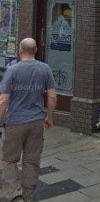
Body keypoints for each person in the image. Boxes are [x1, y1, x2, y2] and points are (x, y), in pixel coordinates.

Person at [0, 39, 57, 202]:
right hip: (36, 122)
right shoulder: (44, 68)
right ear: (36, 50)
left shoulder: (12, 70)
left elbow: (3, 99)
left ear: (19, 50)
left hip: (15, 122)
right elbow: (52, 95)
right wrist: (49, 117)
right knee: (31, 160)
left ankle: (14, 194)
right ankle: (28, 195)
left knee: (9, 159)